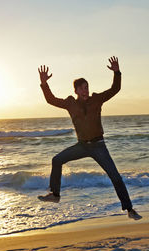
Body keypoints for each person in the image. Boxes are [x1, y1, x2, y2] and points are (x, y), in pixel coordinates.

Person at [37, 56, 142, 220]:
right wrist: (44, 84)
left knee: (116, 177)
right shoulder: (70, 103)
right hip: (82, 146)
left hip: (99, 146)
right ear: (76, 91)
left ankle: (129, 209)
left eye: (87, 87)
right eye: (83, 88)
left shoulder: (97, 100)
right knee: (57, 160)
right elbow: (51, 100)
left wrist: (117, 72)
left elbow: (115, 89)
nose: (86, 90)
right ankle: (55, 194)